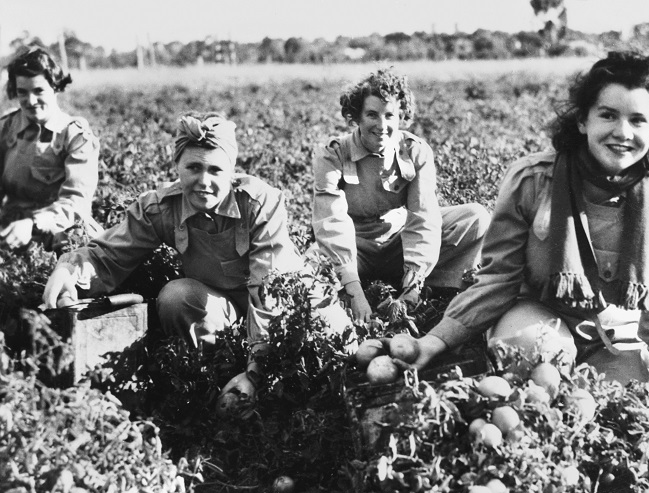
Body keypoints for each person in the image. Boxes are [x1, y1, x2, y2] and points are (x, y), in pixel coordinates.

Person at [411, 51, 649, 442]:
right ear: (583, 120)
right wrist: (436, 339)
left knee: (631, 400)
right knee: (533, 351)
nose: (623, 132)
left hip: (611, 332)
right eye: (608, 115)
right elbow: (497, 279)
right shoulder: (533, 182)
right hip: (536, 314)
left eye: (638, 120)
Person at [42, 112, 314, 398]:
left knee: (333, 359)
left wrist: (255, 373)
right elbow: (109, 255)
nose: (203, 181)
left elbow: (268, 292)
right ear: (177, 166)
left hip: (287, 308)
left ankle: (261, 384)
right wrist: (68, 271)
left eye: (216, 170)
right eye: (193, 167)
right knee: (176, 296)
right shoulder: (162, 208)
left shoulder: (259, 203)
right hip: (226, 307)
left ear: (232, 170)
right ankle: (206, 383)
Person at [312, 68, 490, 323]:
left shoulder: (414, 151)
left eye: (389, 115)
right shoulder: (333, 155)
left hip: (398, 243)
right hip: (355, 248)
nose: (381, 125)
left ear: (400, 116)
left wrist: (414, 282)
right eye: (372, 115)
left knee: (474, 218)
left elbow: (423, 216)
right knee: (311, 263)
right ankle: (344, 297)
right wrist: (354, 291)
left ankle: (425, 285)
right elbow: (331, 224)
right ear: (357, 117)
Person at [0, 46, 101, 251]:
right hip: (10, 224)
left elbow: (77, 202)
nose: (30, 101)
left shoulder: (74, 134)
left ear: (54, 87)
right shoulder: (7, 127)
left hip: (54, 226)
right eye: (22, 92)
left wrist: (33, 224)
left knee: (86, 243)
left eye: (39, 91)